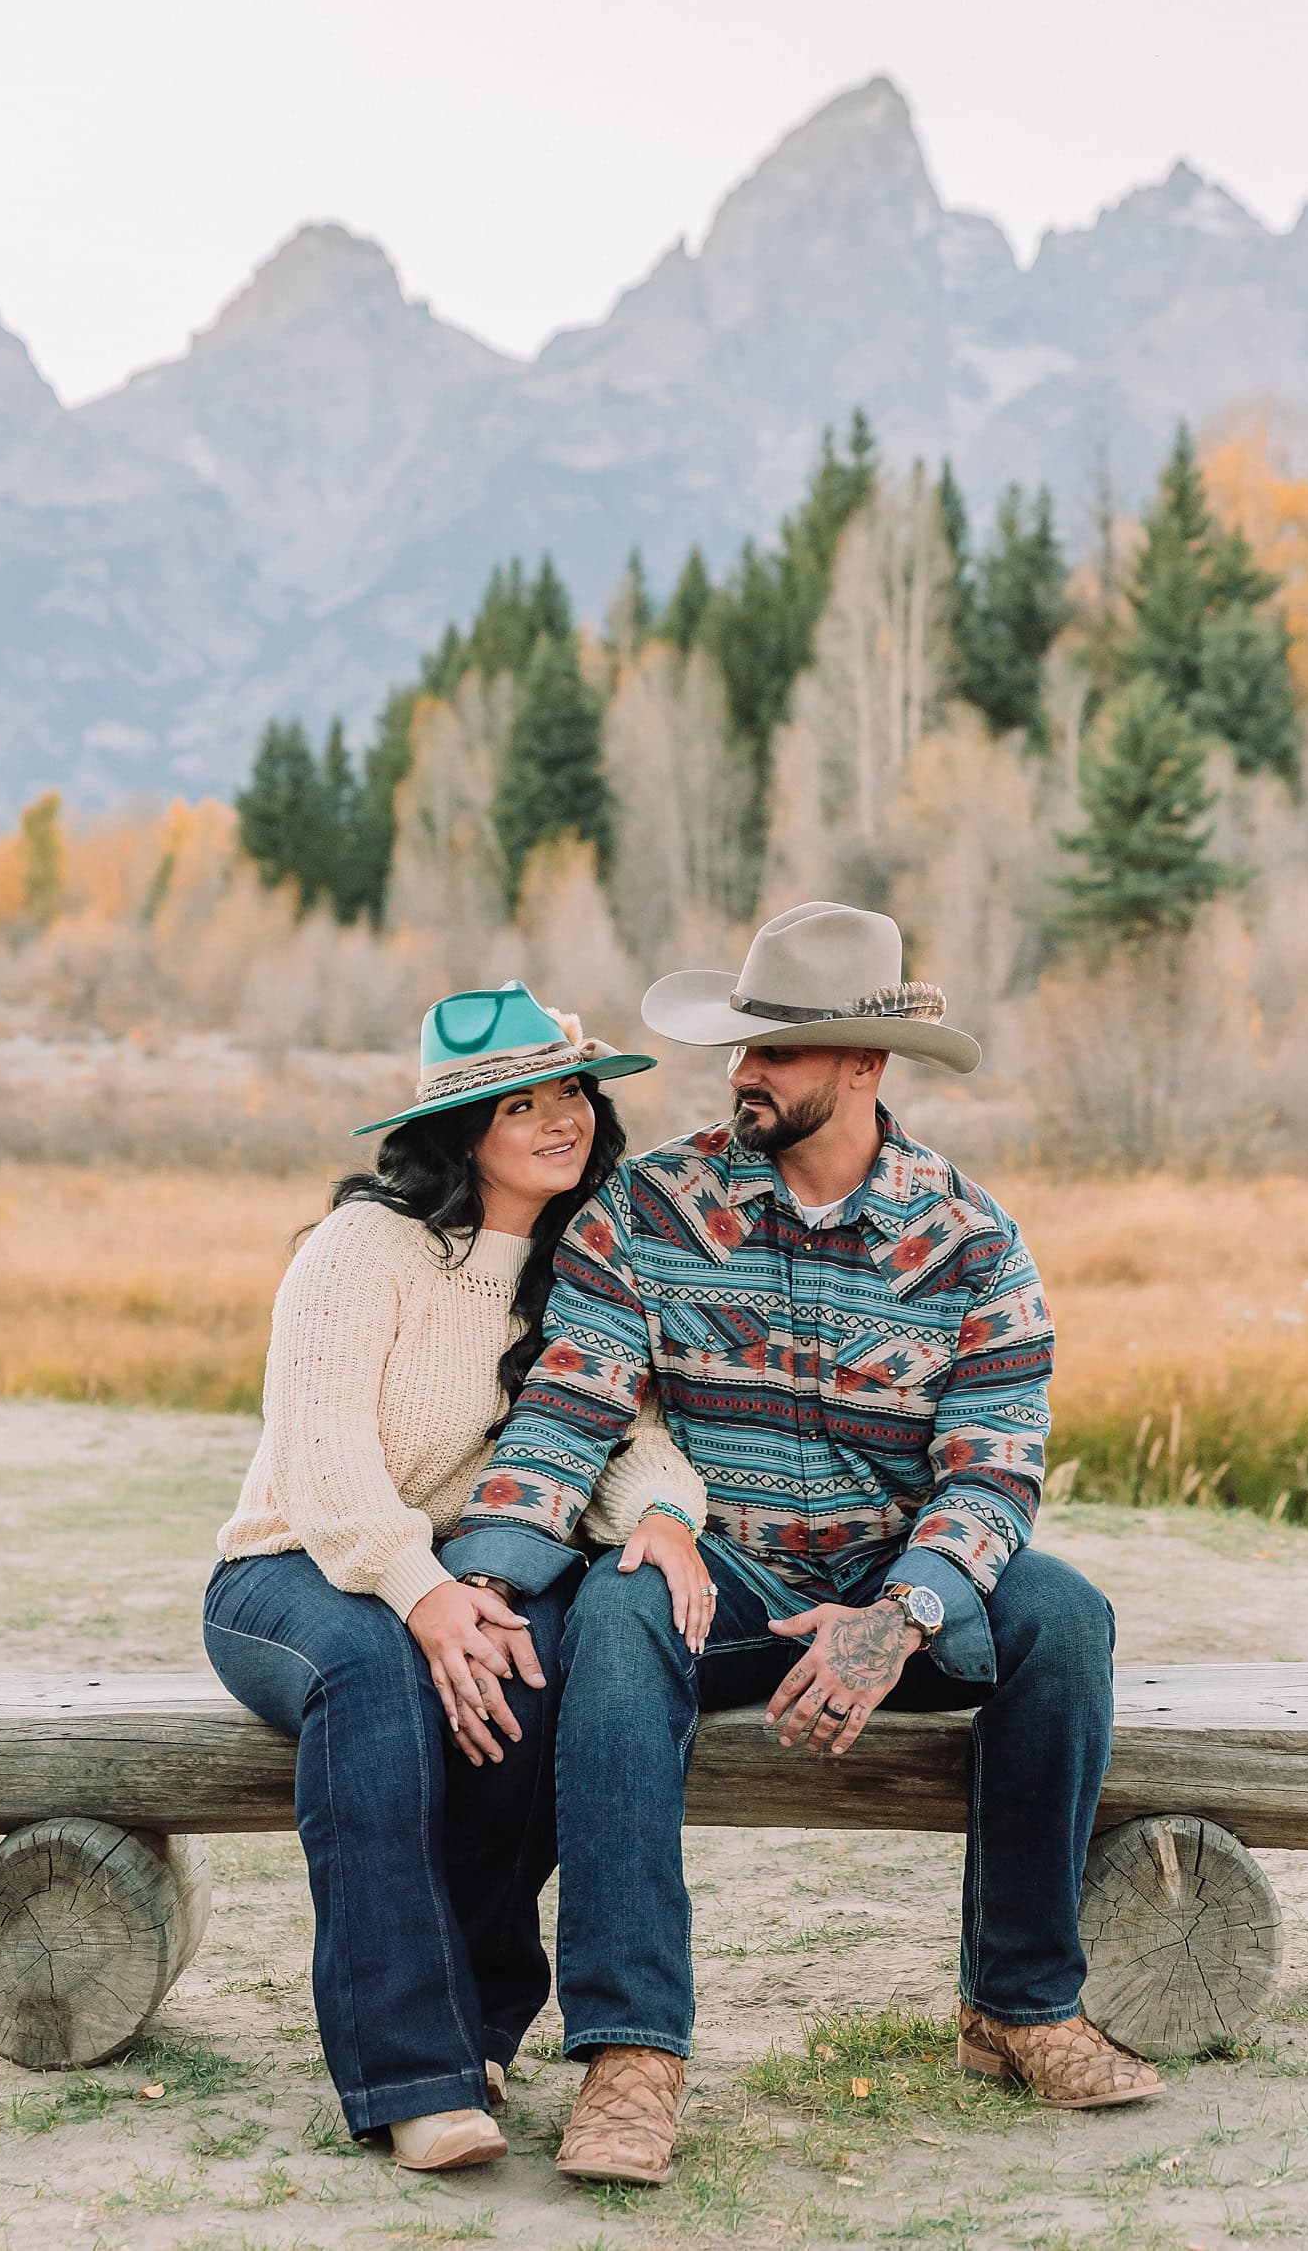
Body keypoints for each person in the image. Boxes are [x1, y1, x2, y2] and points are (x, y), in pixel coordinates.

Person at [444, 904, 1164, 2188]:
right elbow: (570, 1409)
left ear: (862, 1067)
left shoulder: (971, 1242)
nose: (743, 1074)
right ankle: (631, 2054)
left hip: (898, 1575)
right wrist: (491, 1573)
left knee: (1064, 1619)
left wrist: (902, 1615)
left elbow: (996, 1467)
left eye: (776, 1053)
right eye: (741, 1048)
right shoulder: (648, 1209)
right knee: (619, 1611)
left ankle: (1020, 2004)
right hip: (728, 1570)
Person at [203, 981, 710, 2171]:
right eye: (518, 1102)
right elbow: (322, 1465)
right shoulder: (359, 1250)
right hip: (298, 1570)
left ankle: (478, 2027)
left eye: (571, 1094)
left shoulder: (587, 1266)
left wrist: (669, 1518)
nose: (559, 1120)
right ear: (459, 1129)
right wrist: (423, 1594)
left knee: (535, 1669)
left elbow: (619, 1442)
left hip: (464, 1573)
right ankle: (408, 2076)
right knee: (381, 1681)